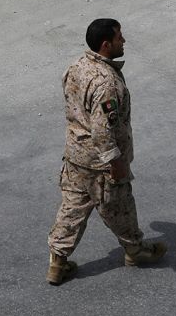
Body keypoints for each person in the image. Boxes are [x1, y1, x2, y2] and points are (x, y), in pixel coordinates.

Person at [47, 18, 167, 285]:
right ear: (105, 44)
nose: (123, 41)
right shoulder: (107, 83)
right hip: (101, 163)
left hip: (76, 157)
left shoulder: (76, 66)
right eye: (119, 37)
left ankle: (57, 263)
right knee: (120, 206)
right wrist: (115, 161)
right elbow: (103, 130)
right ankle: (135, 251)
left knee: (72, 210)